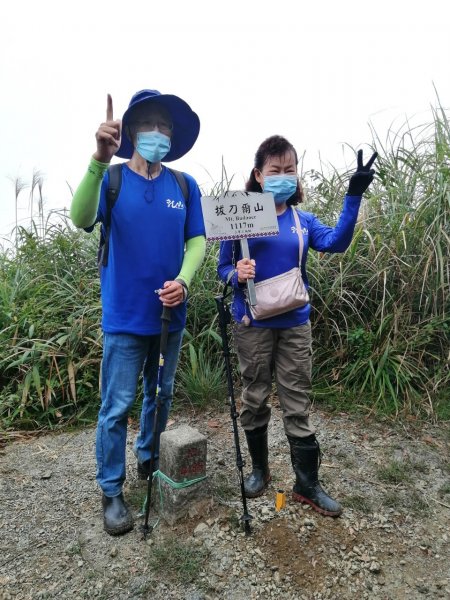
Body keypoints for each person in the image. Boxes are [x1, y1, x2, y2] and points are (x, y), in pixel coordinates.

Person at [218, 135, 376, 517]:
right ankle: (259, 470)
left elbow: (336, 242)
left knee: (297, 400)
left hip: (295, 324)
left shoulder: (302, 221)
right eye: (275, 170)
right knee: (254, 395)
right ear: (258, 174)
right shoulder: (238, 216)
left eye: (290, 169)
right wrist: (236, 273)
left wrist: (352, 195)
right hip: (251, 322)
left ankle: (307, 483)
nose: (283, 176)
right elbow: (222, 269)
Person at [70, 89, 206, 535]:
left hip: (170, 321)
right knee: (116, 407)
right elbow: (80, 217)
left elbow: (197, 241)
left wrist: (184, 281)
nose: (157, 133)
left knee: (161, 395)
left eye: (164, 126)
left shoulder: (184, 186)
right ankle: (111, 489)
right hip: (125, 320)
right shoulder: (111, 181)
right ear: (130, 132)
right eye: (148, 124)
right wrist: (97, 158)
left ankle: (148, 458)